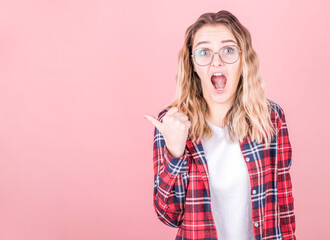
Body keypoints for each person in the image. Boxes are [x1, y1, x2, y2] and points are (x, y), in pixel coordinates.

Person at [144, 10, 296, 240]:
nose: (217, 60)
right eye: (204, 52)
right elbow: (169, 215)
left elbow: (282, 207)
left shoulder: (271, 118)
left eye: (228, 50)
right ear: (193, 63)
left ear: (243, 59)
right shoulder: (172, 123)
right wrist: (176, 152)